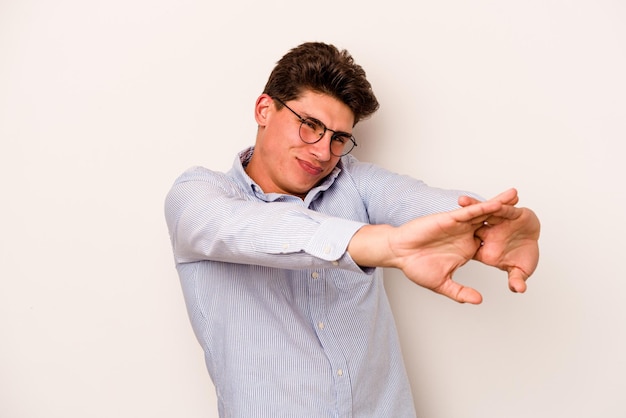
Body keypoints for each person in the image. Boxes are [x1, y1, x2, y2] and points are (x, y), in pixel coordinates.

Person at [164, 42, 540, 417]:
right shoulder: (198, 196)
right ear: (265, 110)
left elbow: (422, 201)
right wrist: (384, 245)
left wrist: (490, 223)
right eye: (310, 125)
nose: (323, 152)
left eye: (338, 138)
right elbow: (252, 229)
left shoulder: (353, 182)